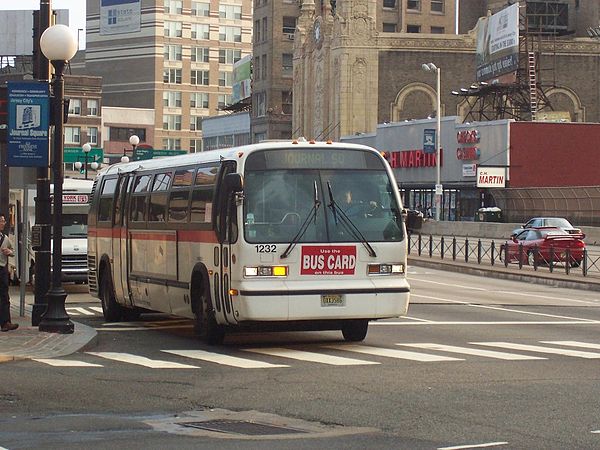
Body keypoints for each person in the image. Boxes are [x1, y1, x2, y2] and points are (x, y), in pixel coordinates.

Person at [0, 213, 17, 332]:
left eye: (4, 221)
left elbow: (13, 250)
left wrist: (9, 252)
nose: (3, 223)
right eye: (1, 221)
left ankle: (6, 322)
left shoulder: (5, 238)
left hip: (2, 269)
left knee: (4, 296)